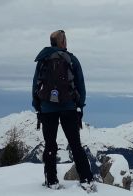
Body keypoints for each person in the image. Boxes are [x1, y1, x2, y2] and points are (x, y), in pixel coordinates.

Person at [32, 30, 96, 191]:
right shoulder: (72, 60)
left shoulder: (43, 59)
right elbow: (80, 84)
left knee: (50, 145)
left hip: (47, 109)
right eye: (65, 40)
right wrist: (80, 104)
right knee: (75, 144)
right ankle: (86, 179)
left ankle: (51, 180)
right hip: (69, 108)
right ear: (62, 42)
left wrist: (37, 104)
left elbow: (36, 83)